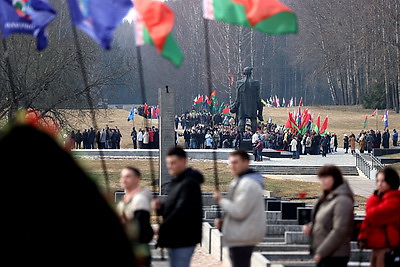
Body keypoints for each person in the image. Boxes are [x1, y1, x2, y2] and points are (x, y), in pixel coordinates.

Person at [152, 147, 203, 267]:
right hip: (175, 236)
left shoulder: (189, 184)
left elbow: (181, 211)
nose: (170, 166)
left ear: (184, 162)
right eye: (168, 163)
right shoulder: (177, 182)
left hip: (184, 237)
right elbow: (172, 209)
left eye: (173, 163)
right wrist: (160, 208)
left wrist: (162, 229)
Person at [213, 149, 266, 267]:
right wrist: (225, 223)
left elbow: (239, 211)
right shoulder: (241, 181)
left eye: (236, 162)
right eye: (230, 163)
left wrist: (221, 200)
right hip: (240, 234)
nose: (232, 166)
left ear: (246, 162)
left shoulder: (248, 184)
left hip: (243, 236)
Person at [302, 165, 354, 267]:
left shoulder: (342, 200)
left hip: (335, 256)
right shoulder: (328, 197)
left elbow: (339, 230)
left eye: (326, 178)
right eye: (321, 178)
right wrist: (312, 227)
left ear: (335, 178)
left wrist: (321, 252)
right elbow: (324, 221)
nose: (323, 181)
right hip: (325, 254)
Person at [358, 167, 400, 267]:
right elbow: (367, 220)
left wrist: (375, 197)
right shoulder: (379, 199)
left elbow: (373, 215)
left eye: (383, 181)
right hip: (375, 245)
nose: (379, 184)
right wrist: (362, 238)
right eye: (378, 181)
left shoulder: (395, 200)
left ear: (391, 182)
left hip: (387, 246)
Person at [117, 167, 154, 267]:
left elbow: (142, 229)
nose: (123, 180)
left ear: (137, 179)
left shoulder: (139, 200)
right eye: (122, 177)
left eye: (128, 177)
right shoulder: (124, 200)